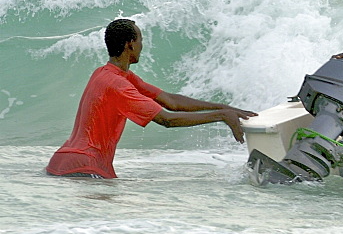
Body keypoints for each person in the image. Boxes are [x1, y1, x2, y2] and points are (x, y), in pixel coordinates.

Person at [45, 19, 257, 180]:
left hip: (63, 163)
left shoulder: (108, 74)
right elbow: (167, 119)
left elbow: (171, 101)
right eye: (140, 40)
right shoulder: (117, 85)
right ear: (130, 44)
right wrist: (220, 116)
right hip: (84, 167)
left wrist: (227, 108)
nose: (142, 46)